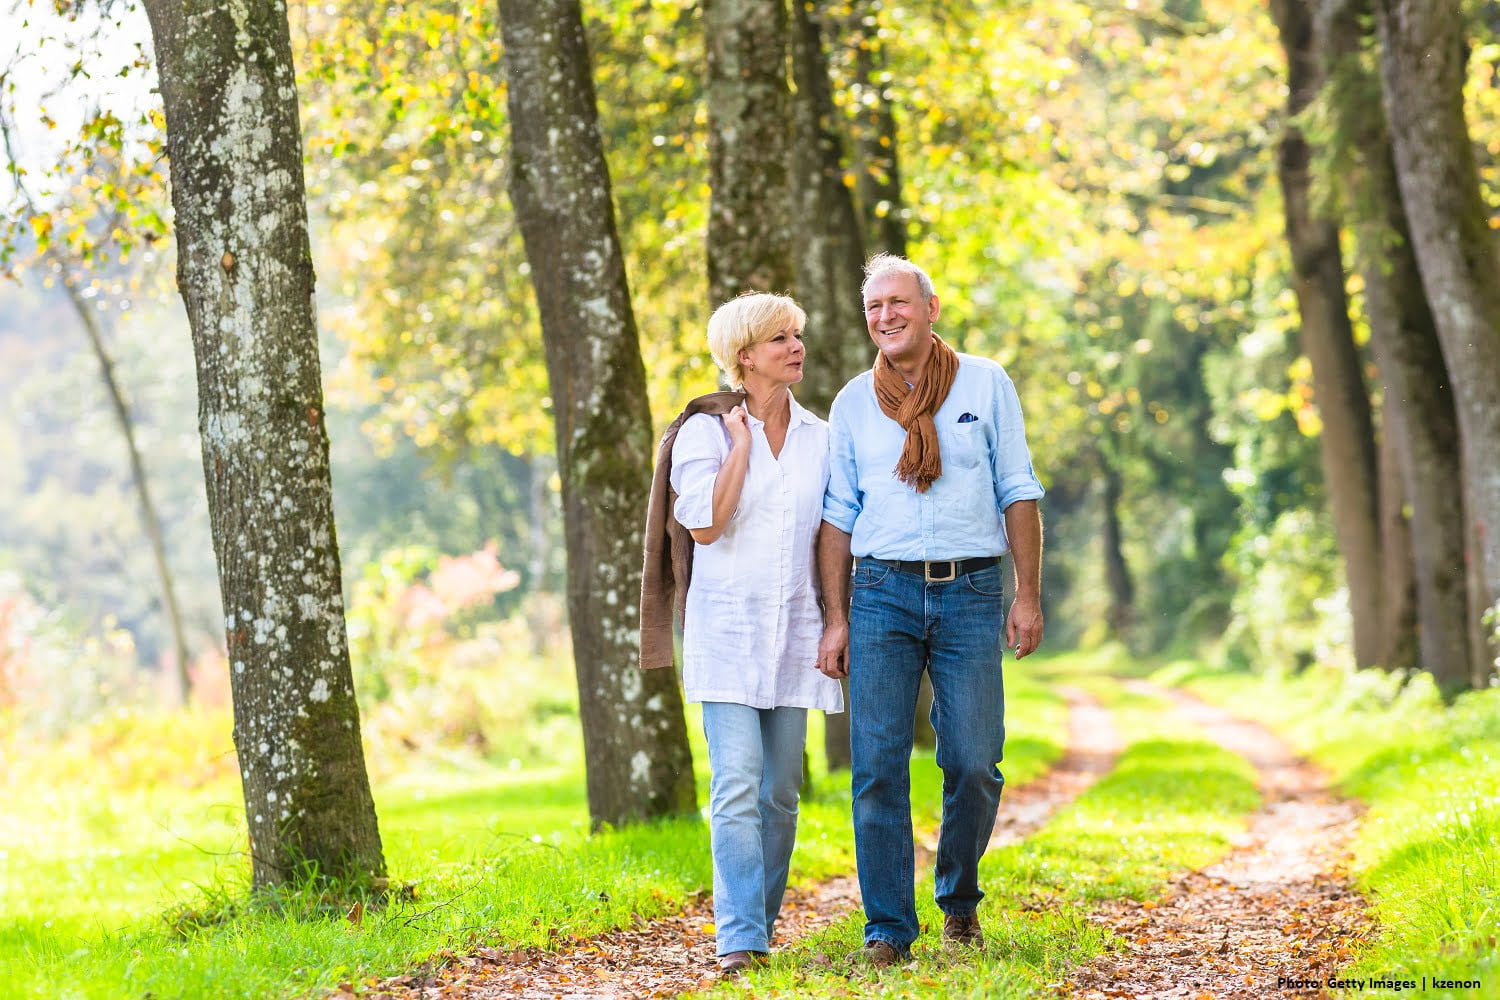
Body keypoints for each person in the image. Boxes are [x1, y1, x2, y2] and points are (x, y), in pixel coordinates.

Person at [815, 253, 1045, 965]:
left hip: (972, 589)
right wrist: (835, 616)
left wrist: (1027, 595)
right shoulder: (854, 402)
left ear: (931, 308)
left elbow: (1018, 489)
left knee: (974, 759)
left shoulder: (986, 383)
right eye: (874, 307)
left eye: (898, 303)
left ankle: (959, 896)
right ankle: (887, 926)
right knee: (877, 764)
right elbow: (837, 516)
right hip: (880, 591)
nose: (885, 316)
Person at [640, 292, 843, 975]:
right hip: (726, 632)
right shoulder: (704, 432)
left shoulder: (820, 436)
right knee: (736, 784)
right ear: (744, 355)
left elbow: (829, 538)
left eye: (798, 335)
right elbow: (704, 525)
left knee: (781, 792)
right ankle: (740, 939)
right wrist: (739, 448)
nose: (796, 346)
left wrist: (836, 621)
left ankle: (762, 918)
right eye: (780, 338)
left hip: (796, 632)